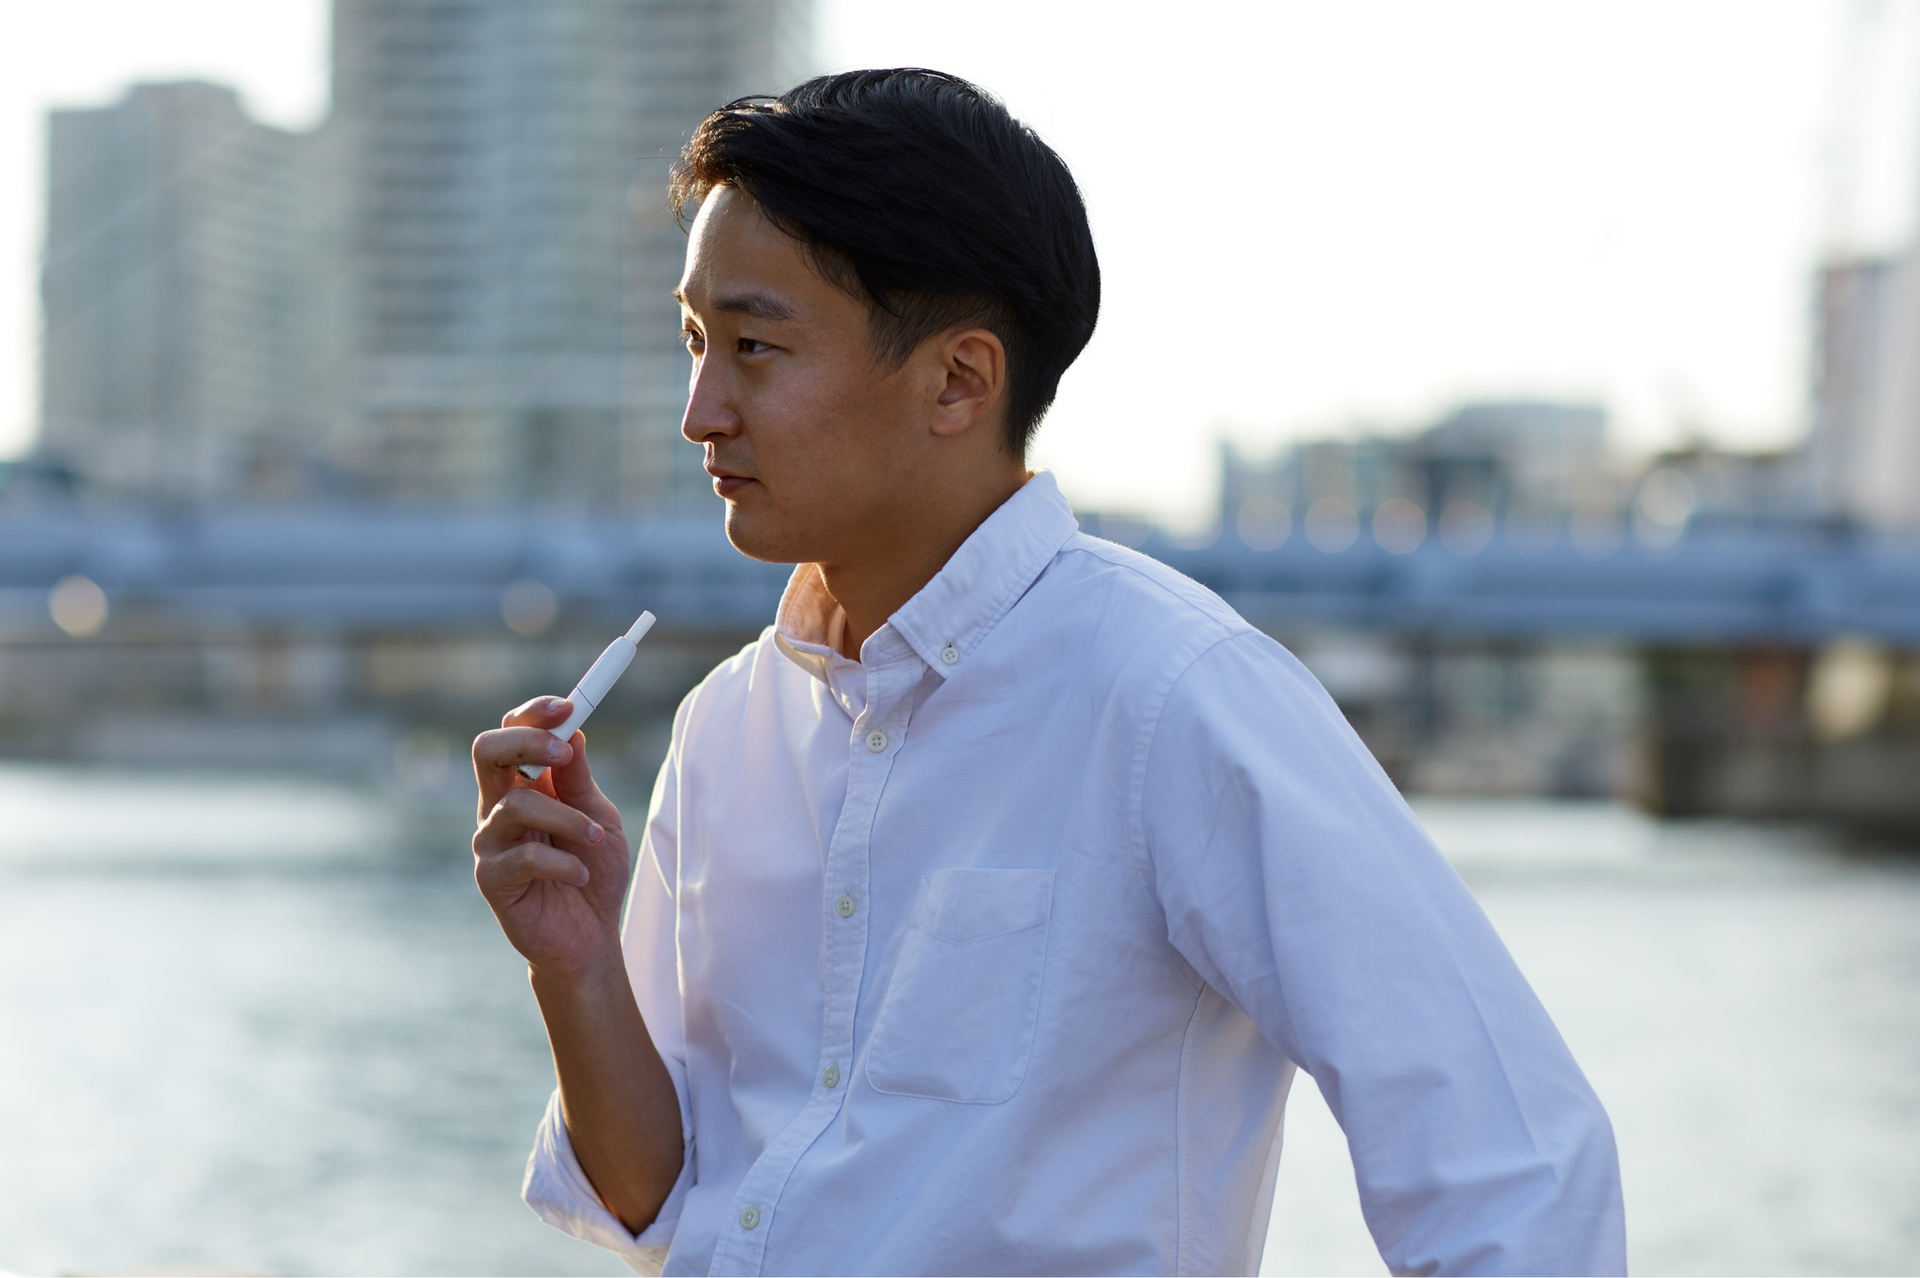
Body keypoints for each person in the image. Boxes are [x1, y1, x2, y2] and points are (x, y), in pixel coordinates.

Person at [470, 68, 1625, 1277]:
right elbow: (663, 1197)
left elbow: (1520, 1173)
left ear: (960, 381)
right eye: (696, 342)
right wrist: (581, 965)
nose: (701, 408)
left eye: (755, 347)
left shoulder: (1175, 695)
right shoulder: (728, 729)